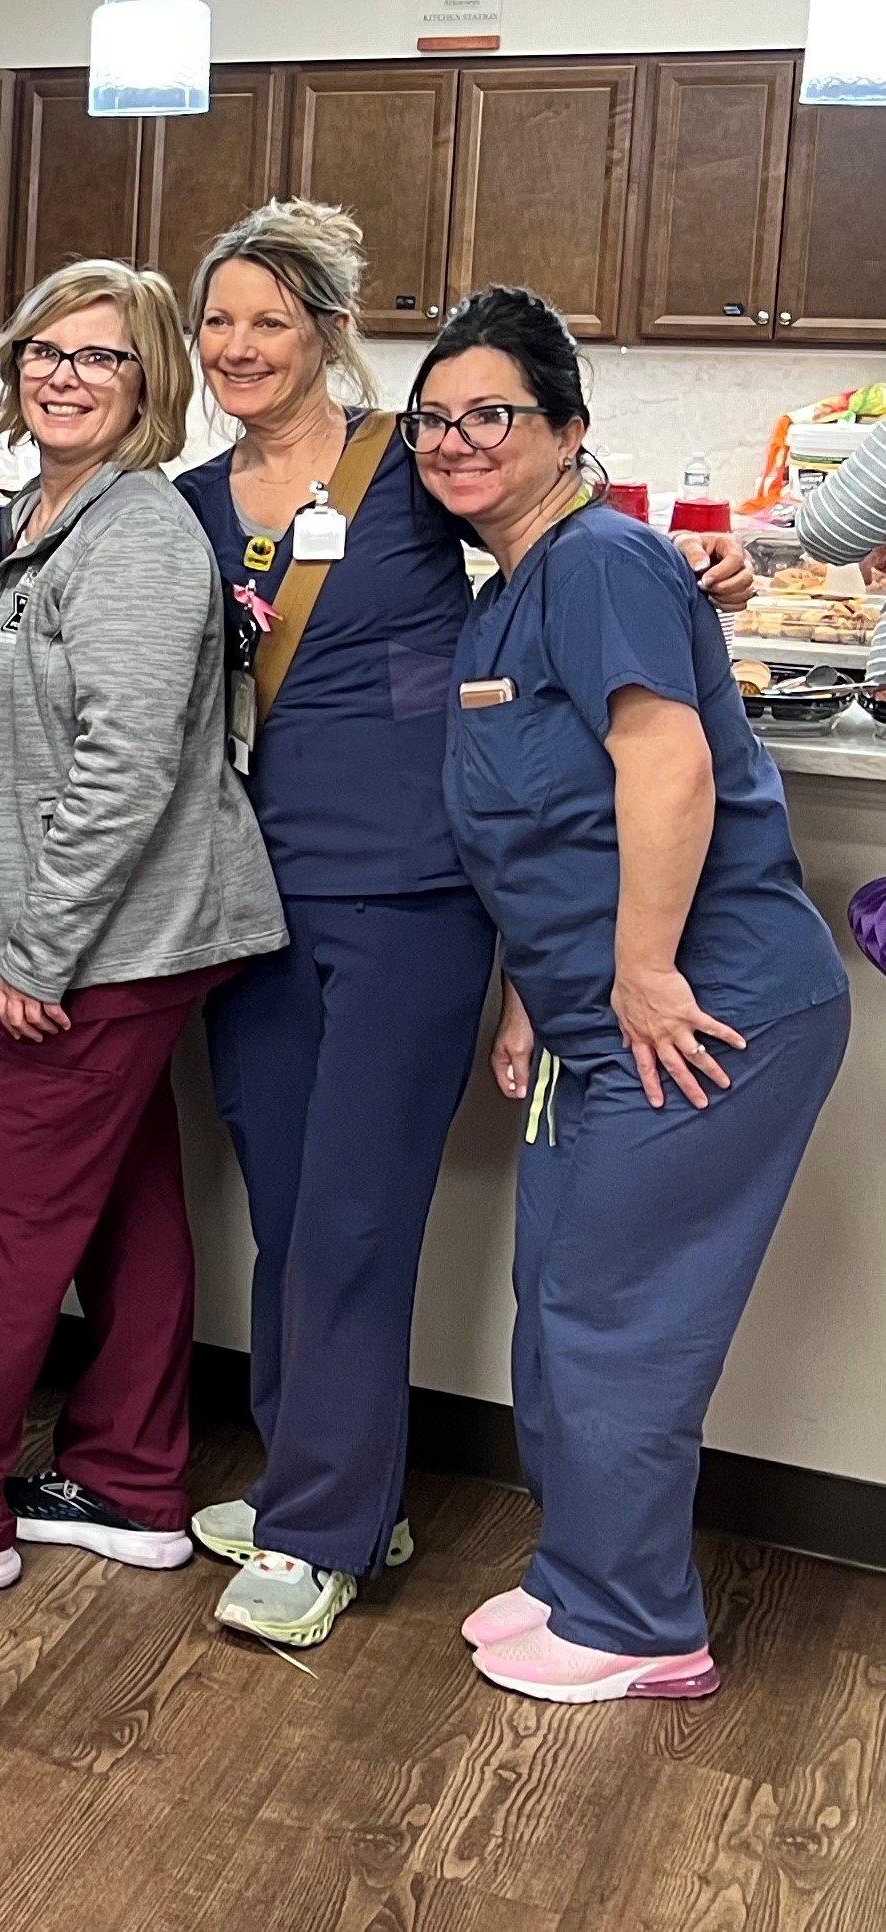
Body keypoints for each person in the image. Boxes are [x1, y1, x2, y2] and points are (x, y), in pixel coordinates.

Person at [175, 203, 757, 1647]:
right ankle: (339, 1488)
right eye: (215, 323)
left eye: (268, 319)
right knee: (288, 1205)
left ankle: (315, 1534)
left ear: (321, 334)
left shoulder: (398, 468)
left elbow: (551, 512)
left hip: (412, 895)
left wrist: (697, 565)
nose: (238, 348)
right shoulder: (183, 502)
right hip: (248, 900)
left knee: (355, 1216)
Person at [420, 288, 848, 1703]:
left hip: (705, 1006)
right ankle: (576, 1573)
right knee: (556, 1297)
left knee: (616, 1316)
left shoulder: (596, 560)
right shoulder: (508, 589)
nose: (455, 439)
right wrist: (534, 997)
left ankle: (637, 1623)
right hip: (591, 1019)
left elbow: (659, 769)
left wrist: (643, 969)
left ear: (566, 433)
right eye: (431, 418)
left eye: (491, 414)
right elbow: (541, 826)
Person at [0, 262, 286, 1597]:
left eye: (97, 357)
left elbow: (121, 770)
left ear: (147, 381)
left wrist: (37, 951)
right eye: (42, 350)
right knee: (124, 1199)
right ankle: (125, 1481)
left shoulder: (136, 537)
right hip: (116, 934)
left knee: (1, 1203)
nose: (59, 373)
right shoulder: (37, 513)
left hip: (104, 942)